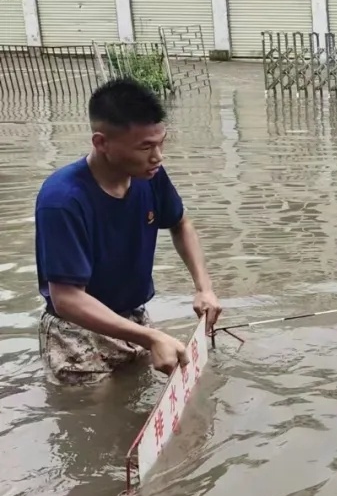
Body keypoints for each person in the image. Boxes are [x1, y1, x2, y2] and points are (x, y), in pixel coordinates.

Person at [34, 78, 222, 387]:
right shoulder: (62, 200)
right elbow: (66, 298)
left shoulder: (150, 175)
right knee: (94, 409)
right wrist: (150, 337)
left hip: (133, 317)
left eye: (161, 143)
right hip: (75, 330)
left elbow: (180, 223)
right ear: (101, 143)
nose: (158, 156)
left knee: (139, 393)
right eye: (145, 147)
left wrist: (204, 288)